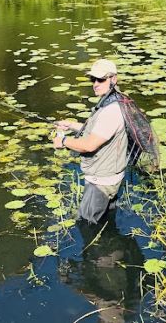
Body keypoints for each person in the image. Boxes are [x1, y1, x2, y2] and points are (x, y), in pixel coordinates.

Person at [53, 59, 128, 224]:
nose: (95, 83)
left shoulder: (111, 110)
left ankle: (98, 249)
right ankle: (112, 247)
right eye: (92, 79)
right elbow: (101, 132)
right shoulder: (113, 100)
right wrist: (72, 125)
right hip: (110, 177)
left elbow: (89, 145)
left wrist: (63, 140)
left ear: (113, 79)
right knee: (106, 222)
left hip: (101, 182)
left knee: (87, 225)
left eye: (100, 79)